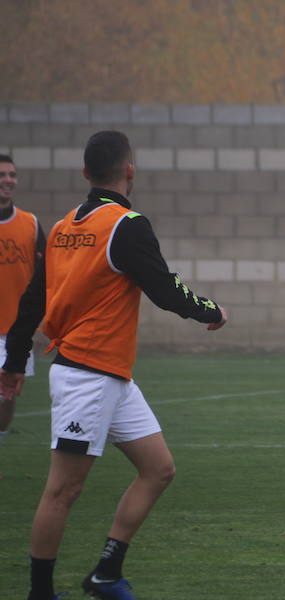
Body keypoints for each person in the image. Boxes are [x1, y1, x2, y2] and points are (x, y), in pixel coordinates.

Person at [0, 131, 228, 600]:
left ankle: (106, 572)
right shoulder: (126, 224)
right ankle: (40, 593)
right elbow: (164, 288)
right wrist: (211, 310)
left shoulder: (64, 227)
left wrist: (15, 358)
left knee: (159, 469)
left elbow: (31, 300)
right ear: (130, 170)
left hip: (109, 375)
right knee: (63, 490)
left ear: (85, 173)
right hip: (87, 373)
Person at [0, 154, 45, 443]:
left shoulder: (31, 224)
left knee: (7, 397)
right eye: (2, 175)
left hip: (16, 330)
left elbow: (46, 276)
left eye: (12, 175)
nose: (8, 180)